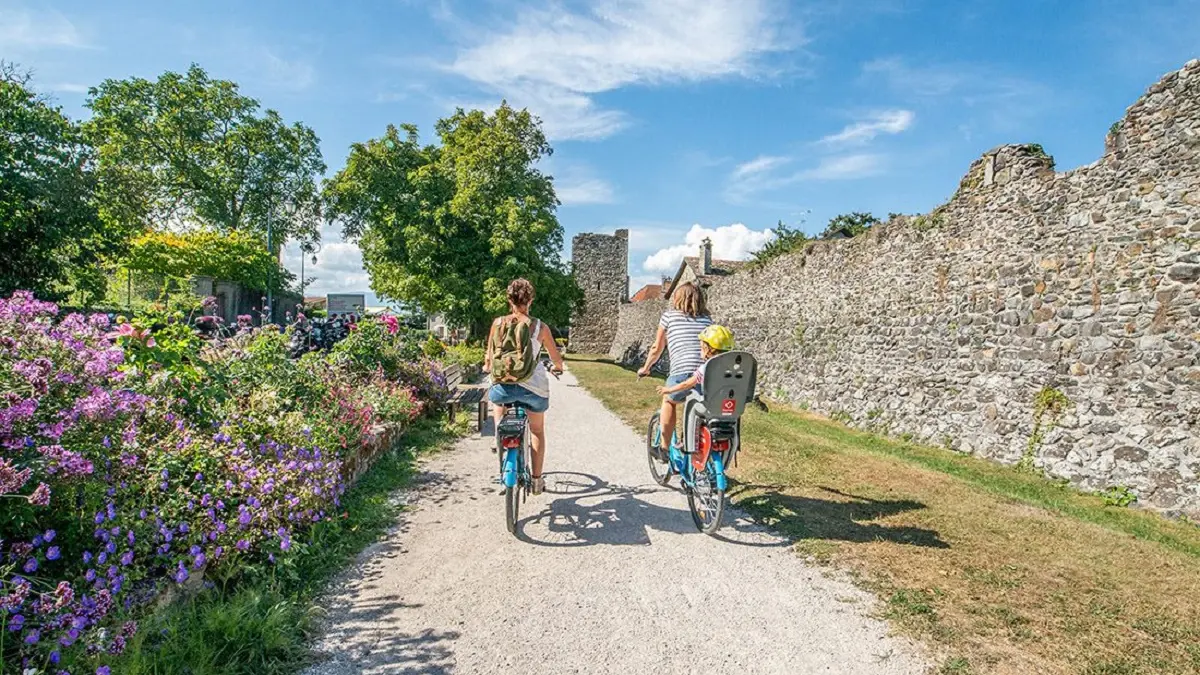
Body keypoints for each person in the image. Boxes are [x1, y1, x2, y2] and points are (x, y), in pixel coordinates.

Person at [484, 278, 565, 495]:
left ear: (509, 299)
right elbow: (556, 359)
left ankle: (499, 436)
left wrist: (487, 366)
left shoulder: (497, 324)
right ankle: (537, 481)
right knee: (537, 430)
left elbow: (489, 358)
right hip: (533, 389)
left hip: (503, 388)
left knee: (498, 398)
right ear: (531, 300)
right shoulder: (540, 327)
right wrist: (557, 368)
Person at [637, 282, 712, 453]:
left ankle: (663, 449)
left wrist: (646, 368)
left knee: (669, 401)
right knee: (697, 406)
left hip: (681, 371)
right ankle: (691, 441)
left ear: (678, 298)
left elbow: (657, 348)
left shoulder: (669, 317)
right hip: (705, 373)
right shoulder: (707, 320)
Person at [657, 324, 735, 400]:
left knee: (678, 399)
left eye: (701, 348)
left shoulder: (706, 369)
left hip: (709, 404)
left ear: (707, 350)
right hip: (730, 404)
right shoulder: (733, 368)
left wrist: (669, 390)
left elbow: (686, 384)